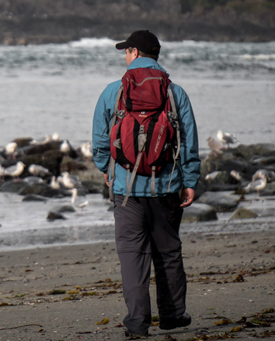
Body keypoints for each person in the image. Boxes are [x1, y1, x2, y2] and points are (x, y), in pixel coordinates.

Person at [92, 30, 200, 338]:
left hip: (126, 191)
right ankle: (172, 316)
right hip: (166, 188)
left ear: (135, 52)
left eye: (126, 51)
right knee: (167, 251)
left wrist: (107, 169)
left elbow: (100, 139)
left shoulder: (112, 91)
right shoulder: (175, 93)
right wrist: (190, 180)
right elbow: (188, 141)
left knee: (131, 255)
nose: (125, 56)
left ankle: (138, 323)